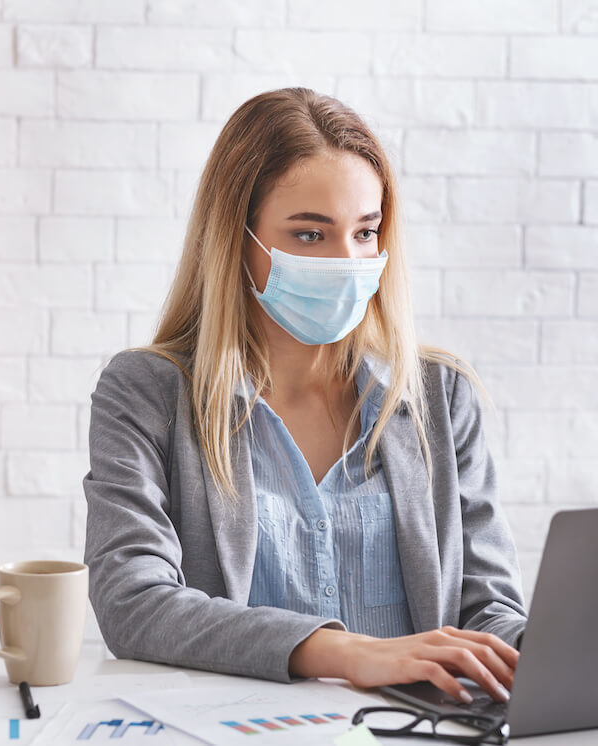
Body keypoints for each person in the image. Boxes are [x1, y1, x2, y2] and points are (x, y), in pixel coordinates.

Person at [83, 87, 527, 706]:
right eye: (311, 235)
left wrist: (546, 646)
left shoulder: (440, 396)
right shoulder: (147, 393)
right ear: (237, 239)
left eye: (366, 232)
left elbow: (488, 607)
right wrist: (348, 653)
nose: (348, 262)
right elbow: (133, 602)